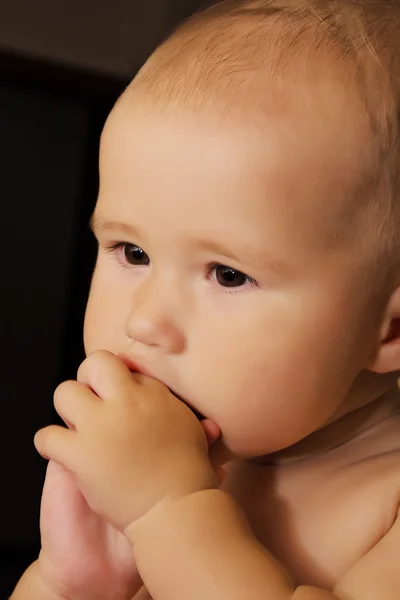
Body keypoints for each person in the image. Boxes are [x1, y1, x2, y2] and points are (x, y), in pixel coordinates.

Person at [11, 0, 400, 598]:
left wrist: (169, 511)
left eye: (227, 274)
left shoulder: (388, 506)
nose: (143, 321)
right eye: (131, 253)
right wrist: (68, 584)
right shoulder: (154, 461)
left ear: (391, 330)